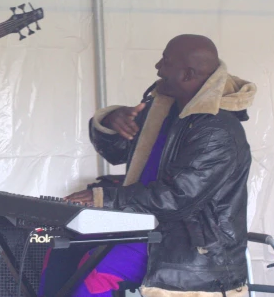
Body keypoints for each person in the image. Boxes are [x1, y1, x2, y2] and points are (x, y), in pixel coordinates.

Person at [42, 35, 255, 297]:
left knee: (93, 276)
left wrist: (102, 197)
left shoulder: (215, 130)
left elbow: (178, 197)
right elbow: (116, 153)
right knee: (61, 247)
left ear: (187, 74)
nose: (157, 67)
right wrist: (111, 122)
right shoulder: (163, 110)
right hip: (146, 226)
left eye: (165, 62)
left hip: (185, 244)